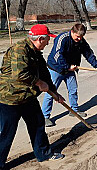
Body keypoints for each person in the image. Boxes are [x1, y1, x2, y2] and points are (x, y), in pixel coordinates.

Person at [0, 24, 65, 169]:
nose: (49, 42)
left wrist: (55, 93)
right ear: (40, 39)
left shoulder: (35, 52)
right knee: (7, 132)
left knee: (37, 124)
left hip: (27, 97)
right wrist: (39, 82)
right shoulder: (20, 49)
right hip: (10, 99)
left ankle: (44, 154)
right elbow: (20, 75)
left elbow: (44, 74)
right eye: (47, 39)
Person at [42, 23, 97, 127]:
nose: (79, 39)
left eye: (81, 37)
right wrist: (67, 67)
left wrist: (96, 65)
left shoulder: (81, 41)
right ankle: (45, 116)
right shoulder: (62, 38)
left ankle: (74, 111)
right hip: (56, 69)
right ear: (72, 32)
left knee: (73, 89)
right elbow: (57, 55)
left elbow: (88, 53)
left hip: (70, 69)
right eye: (77, 36)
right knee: (51, 92)